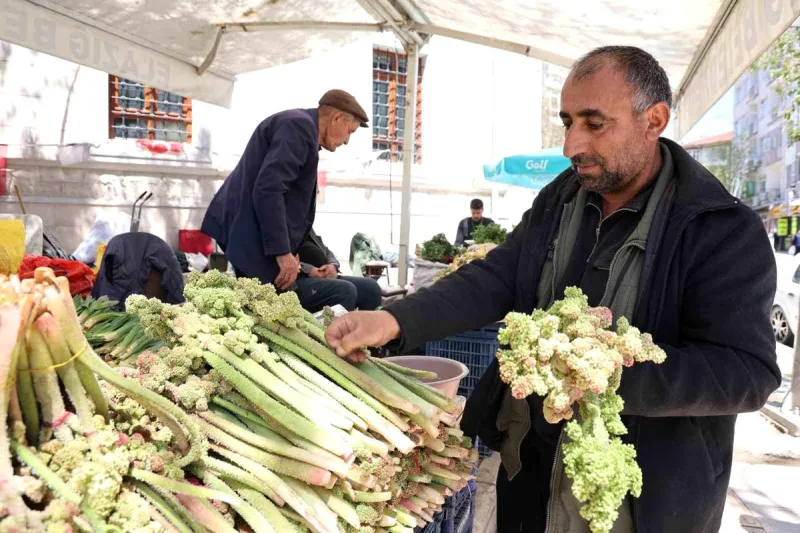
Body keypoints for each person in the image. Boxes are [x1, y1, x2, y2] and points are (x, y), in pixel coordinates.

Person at [325, 46, 780, 533]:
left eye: (594, 123)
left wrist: (604, 376)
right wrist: (396, 320)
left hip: (642, 504)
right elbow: (499, 275)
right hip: (531, 474)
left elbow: (748, 373)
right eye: (567, 122)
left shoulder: (719, 229)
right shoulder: (563, 197)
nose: (571, 145)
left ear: (655, 119)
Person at [201, 89, 368, 290]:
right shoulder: (299, 126)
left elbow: (284, 196)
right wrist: (283, 253)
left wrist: (291, 249)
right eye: (350, 131)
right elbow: (269, 190)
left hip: (252, 228)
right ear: (337, 117)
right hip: (246, 228)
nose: (348, 140)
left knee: (268, 302)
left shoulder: (302, 126)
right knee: (268, 304)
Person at [295, 228, 382, 312]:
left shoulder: (306, 225)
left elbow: (326, 250)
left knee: (370, 287)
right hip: (297, 279)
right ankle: (336, 326)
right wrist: (309, 270)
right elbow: (284, 260)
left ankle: (365, 326)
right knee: (345, 290)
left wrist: (333, 265)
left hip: (323, 276)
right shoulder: (285, 225)